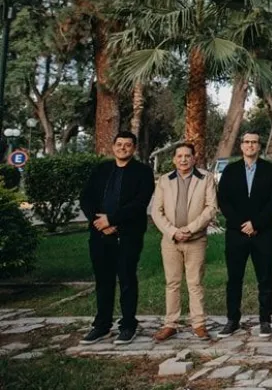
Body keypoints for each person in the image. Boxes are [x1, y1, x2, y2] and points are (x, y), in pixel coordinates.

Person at [79, 131, 155, 345]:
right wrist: (99, 222)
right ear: (113, 147)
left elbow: (140, 203)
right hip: (99, 233)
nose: (123, 148)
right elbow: (86, 197)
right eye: (119, 144)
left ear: (134, 148)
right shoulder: (101, 170)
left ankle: (128, 325)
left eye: (128, 145)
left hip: (128, 235)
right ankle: (102, 325)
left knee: (127, 279)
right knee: (103, 280)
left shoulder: (143, 172)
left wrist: (112, 220)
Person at [150, 142, 217, 342]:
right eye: (179, 156)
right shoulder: (164, 180)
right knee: (172, 283)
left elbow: (211, 208)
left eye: (187, 156)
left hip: (195, 240)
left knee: (195, 283)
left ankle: (198, 324)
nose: (183, 159)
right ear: (174, 159)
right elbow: (156, 211)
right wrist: (173, 231)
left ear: (194, 158)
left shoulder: (205, 178)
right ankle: (170, 324)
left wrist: (190, 229)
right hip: (171, 241)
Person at [217, 131, 272, 337]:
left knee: (264, 278)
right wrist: (240, 224)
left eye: (254, 142)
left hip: (262, 233)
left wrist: (256, 224)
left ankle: (265, 320)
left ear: (259, 146)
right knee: (234, 278)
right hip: (236, 234)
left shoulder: (270, 170)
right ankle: (232, 320)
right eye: (247, 142)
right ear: (241, 146)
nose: (251, 145)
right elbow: (223, 201)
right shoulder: (230, 171)